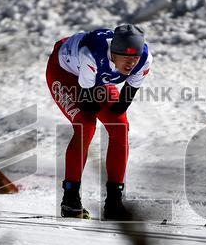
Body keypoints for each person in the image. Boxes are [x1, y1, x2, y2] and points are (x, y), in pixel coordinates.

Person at [45, 23, 152, 219]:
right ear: (113, 53)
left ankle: (114, 202)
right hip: (65, 73)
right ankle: (70, 199)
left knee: (120, 127)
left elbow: (123, 102)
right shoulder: (92, 53)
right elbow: (88, 102)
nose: (131, 64)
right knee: (86, 125)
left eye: (135, 58)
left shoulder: (145, 59)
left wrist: (116, 111)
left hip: (97, 77)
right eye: (126, 58)